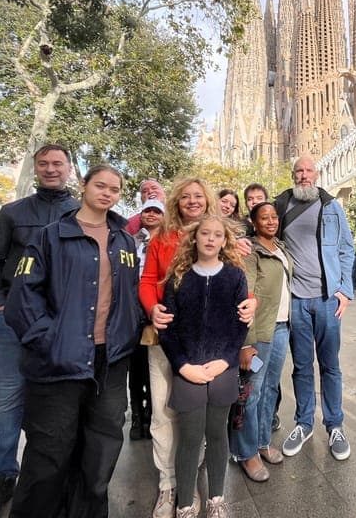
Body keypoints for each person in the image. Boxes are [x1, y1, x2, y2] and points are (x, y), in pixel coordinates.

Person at [5, 164, 142, 517]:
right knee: (49, 453)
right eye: (100, 185)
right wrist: (47, 339)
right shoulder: (50, 236)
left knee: (100, 452)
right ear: (83, 186)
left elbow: (129, 296)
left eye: (114, 189)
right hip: (58, 361)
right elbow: (23, 298)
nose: (107, 193)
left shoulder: (124, 240)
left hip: (109, 362)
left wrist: (128, 334)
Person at [0, 144, 79, 518]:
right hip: (14, 321)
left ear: (69, 169)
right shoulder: (13, 212)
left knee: (57, 400)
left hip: (62, 322)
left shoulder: (82, 213)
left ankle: (54, 476)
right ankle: (0, 479)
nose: (51, 170)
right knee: (8, 398)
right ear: (36, 169)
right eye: (44, 164)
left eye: (57, 164)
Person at [139, 178, 254, 517]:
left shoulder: (230, 256)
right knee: (164, 414)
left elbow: (239, 298)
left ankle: (210, 490)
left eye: (198, 197)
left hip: (217, 355)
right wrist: (152, 309)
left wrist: (251, 305)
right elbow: (148, 281)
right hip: (173, 341)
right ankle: (171, 488)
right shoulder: (164, 242)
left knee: (212, 428)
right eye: (185, 196)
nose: (192, 201)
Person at [159, 215, 249, 518]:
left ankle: (216, 499)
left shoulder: (235, 277)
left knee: (218, 434)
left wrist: (225, 360)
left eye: (217, 235)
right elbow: (167, 330)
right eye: (205, 233)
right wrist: (183, 366)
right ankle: (185, 502)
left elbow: (240, 325)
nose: (211, 239)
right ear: (194, 238)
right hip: (188, 369)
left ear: (225, 241)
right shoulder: (178, 278)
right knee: (190, 437)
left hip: (223, 367)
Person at [274, 155, 355, 460]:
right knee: (301, 366)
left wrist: (344, 290)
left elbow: (347, 249)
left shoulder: (332, 206)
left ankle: (334, 425)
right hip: (295, 299)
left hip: (326, 300)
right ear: (292, 174)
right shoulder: (281, 206)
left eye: (308, 170)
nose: (304, 175)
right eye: (299, 171)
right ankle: (304, 423)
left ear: (316, 174)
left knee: (330, 365)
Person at [230, 201, 292, 482]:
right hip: (259, 331)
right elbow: (246, 294)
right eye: (263, 218)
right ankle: (246, 452)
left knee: (269, 389)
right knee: (249, 393)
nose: (270, 221)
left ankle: (263, 441)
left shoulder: (280, 247)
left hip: (281, 328)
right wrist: (246, 342)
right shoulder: (251, 251)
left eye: (273, 217)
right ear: (253, 222)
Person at [129, 199, 166, 441]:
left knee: (155, 366)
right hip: (133, 308)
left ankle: (152, 413)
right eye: (147, 211)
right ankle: (136, 414)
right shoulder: (130, 240)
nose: (151, 215)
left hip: (156, 308)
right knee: (136, 366)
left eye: (157, 211)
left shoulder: (167, 239)